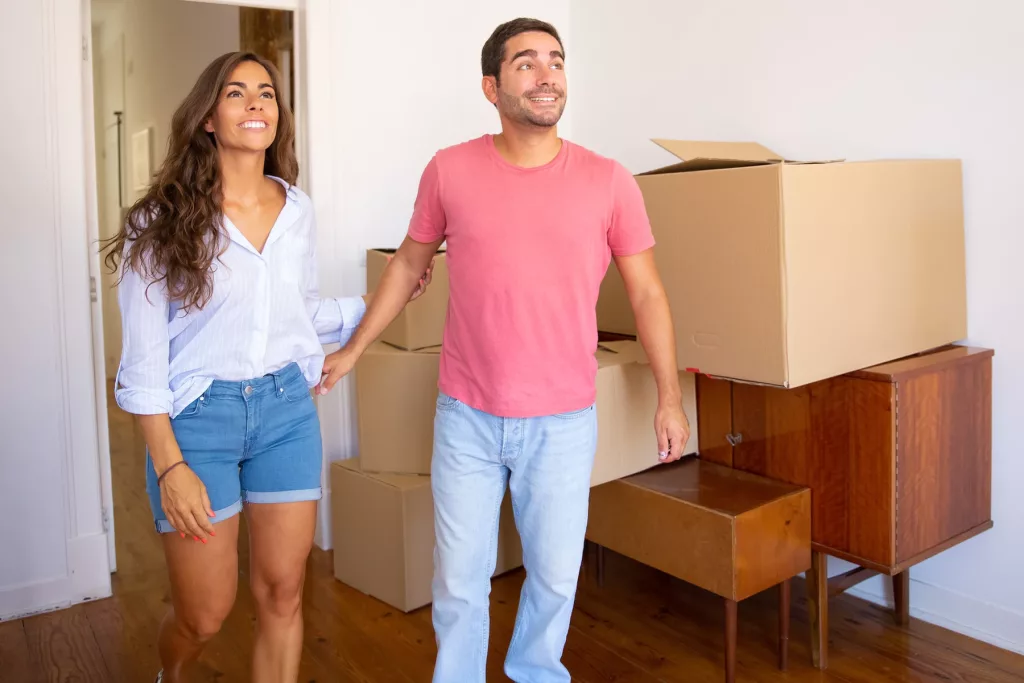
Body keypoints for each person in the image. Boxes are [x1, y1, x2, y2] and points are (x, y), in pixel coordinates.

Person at [317, 17, 690, 683]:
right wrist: (351, 349)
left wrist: (669, 397)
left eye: (555, 60)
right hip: (467, 415)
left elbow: (650, 296)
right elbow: (407, 265)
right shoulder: (450, 169)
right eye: (525, 63)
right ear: (491, 87)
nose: (546, 74)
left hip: (563, 421)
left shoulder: (609, 181)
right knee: (459, 583)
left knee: (553, 577)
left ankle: (535, 672)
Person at [102, 52, 430, 683]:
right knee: (204, 615)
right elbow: (142, 367)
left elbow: (293, 313)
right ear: (206, 117)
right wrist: (171, 466)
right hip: (198, 423)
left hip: (285, 410)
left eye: (266, 94)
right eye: (236, 93)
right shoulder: (158, 223)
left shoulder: (297, 208)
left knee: (283, 594)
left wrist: (372, 302)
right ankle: (169, 673)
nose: (256, 104)